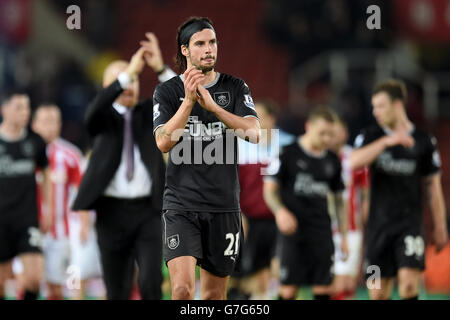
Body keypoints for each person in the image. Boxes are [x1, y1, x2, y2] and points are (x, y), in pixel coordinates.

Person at [153, 16, 260, 300]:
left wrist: (214, 109)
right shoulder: (167, 91)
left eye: (212, 42)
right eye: (200, 44)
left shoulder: (235, 87)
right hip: (181, 205)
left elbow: (254, 133)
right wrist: (188, 102)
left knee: (213, 295)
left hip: (223, 205)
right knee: (182, 290)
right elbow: (163, 142)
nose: (208, 49)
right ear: (185, 50)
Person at [72, 33, 174, 299]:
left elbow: (179, 97)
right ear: (109, 86)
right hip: (110, 212)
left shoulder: (149, 113)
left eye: (134, 80)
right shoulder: (102, 119)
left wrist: (161, 67)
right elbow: (93, 111)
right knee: (117, 289)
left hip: (147, 211)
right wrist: (127, 73)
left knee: (152, 281)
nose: (130, 86)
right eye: (124, 80)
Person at [350, 79, 448, 300]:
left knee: (409, 287)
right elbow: (353, 162)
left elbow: (433, 185)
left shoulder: (424, 141)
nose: (375, 112)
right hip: (377, 228)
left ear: (397, 104)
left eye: (381, 106)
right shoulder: (370, 136)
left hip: (409, 225)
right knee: (377, 293)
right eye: (373, 106)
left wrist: (440, 225)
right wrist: (386, 142)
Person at [263, 107, 349, 300]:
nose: (326, 139)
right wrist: (280, 212)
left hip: (321, 232)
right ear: (308, 127)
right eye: (322, 133)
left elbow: (339, 201)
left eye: (331, 135)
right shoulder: (286, 153)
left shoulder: (332, 160)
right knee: (288, 290)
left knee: (324, 288)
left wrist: (343, 236)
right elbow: (269, 190)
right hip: (293, 233)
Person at [31, 104, 102, 300]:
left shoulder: (70, 156)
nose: (50, 126)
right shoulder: (24, 153)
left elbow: (83, 193)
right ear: (34, 124)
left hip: (61, 233)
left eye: (54, 121)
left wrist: (85, 225)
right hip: (29, 229)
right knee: (29, 281)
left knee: (59, 286)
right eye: (45, 121)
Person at [229, 100, 294, 300]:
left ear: (272, 118)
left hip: (279, 220)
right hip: (247, 221)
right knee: (240, 276)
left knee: (276, 272)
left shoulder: (288, 145)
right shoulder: (237, 145)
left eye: (259, 115)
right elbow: (229, 186)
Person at [0, 91, 52, 300]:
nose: (25, 112)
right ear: (4, 110)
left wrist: (47, 208)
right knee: (1, 282)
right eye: (19, 107)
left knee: (33, 277)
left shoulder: (35, 141)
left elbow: (46, 172)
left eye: (27, 107)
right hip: (1, 219)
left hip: (27, 219)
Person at [328, 116, 369, 300]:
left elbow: (366, 192)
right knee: (332, 282)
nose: (333, 136)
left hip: (352, 228)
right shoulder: (320, 158)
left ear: (345, 133)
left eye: (336, 132)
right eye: (330, 132)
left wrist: (365, 218)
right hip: (325, 227)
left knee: (348, 283)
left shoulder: (355, 158)